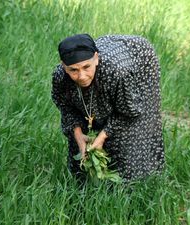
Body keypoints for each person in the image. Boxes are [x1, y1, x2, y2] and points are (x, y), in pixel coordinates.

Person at [51, 34, 164, 184]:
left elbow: (130, 111)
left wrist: (104, 135)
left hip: (139, 59)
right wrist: (78, 135)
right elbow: (66, 107)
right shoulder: (60, 77)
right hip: (112, 57)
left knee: (131, 133)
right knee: (80, 142)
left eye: (86, 67)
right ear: (63, 66)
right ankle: (82, 182)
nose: (82, 76)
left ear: (96, 58)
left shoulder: (117, 72)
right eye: (73, 70)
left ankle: (136, 182)